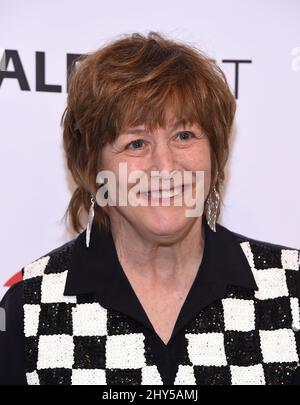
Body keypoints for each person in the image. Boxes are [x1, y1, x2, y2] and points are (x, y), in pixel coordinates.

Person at [0, 31, 299, 386]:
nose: (165, 167)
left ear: (215, 154)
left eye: (184, 136)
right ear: (94, 168)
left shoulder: (290, 286)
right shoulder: (30, 306)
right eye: (136, 143)